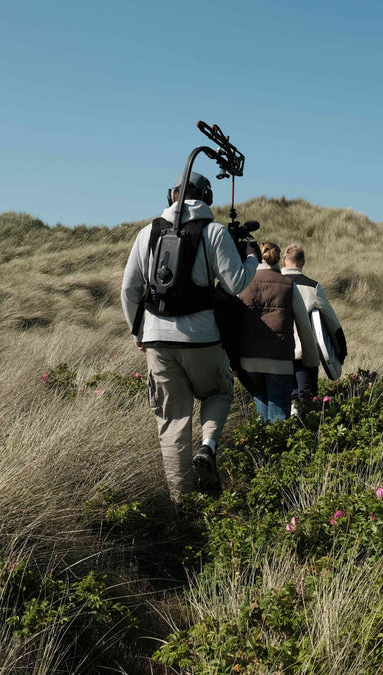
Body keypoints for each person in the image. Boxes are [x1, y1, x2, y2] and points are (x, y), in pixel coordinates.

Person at [121, 172, 260, 503]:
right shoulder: (213, 232)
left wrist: (138, 330)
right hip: (201, 337)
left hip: (156, 338)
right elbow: (236, 283)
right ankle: (208, 446)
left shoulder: (147, 233)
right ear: (206, 198)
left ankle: (183, 507)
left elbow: (129, 289)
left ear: (171, 197)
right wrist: (252, 257)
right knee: (219, 391)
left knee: (172, 422)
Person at [237, 242, 318, 422]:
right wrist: (311, 359)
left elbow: (235, 321)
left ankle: (264, 445)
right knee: (279, 417)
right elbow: (304, 325)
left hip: (250, 359)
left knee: (261, 406)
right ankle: (279, 446)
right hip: (280, 360)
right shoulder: (288, 284)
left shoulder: (244, 283)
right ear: (278, 260)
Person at [281, 243, 346, 413]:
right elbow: (332, 321)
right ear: (303, 262)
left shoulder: (274, 283)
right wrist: (340, 351)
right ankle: (308, 433)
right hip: (305, 352)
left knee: (285, 399)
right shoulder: (312, 286)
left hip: (277, 352)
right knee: (307, 400)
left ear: (283, 261)